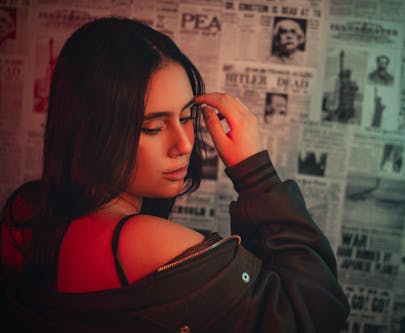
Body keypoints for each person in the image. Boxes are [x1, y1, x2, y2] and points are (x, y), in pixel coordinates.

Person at [0, 17, 349, 332]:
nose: (184, 144)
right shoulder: (144, 243)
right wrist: (255, 173)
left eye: (185, 117)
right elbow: (317, 312)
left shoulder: (26, 210)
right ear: (92, 131)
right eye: (153, 126)